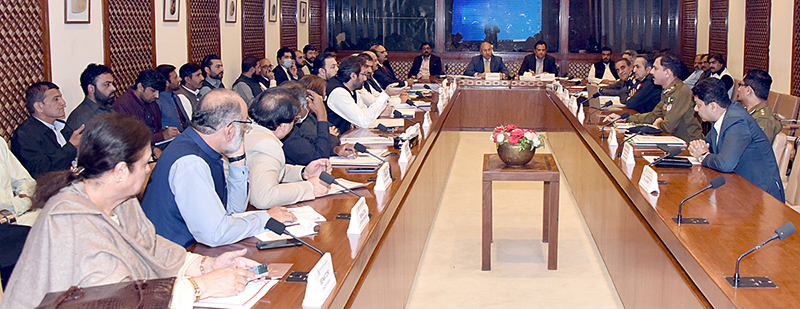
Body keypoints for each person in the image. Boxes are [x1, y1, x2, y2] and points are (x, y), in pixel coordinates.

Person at [1, 113, 262, 309]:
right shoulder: (72, 222)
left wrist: (208, 265)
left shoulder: (121, 200)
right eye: (146, 161)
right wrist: (199, 287)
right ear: (120, 171)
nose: (150, 168)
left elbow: (152, 248)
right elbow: (114, 298)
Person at [141, 89, 295, 248]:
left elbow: (234, 210)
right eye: (244, 124)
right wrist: (265, 218)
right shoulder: (190, 162)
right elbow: (215, 234)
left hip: (194, 249)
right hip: (177, 258)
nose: (246, 131)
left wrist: (237, 160)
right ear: (229, 131)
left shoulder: (205, 149)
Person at [688, 78, 784, 202]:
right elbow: (707, 144)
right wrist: (697, 146)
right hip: (740, 189)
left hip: (764, 197)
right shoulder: (722, 117)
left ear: (713, 106)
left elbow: (725, 164)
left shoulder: (737, 121)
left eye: (699, 105)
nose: (696, 109)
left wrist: (703, 155)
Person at [245, 87, 332, 209]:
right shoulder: (267, 144)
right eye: (294, 120)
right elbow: (264, 197)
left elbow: (266, 171)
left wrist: (303, 173)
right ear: (282, 126)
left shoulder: (251, 131)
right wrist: (310, 188)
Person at [605, 54, 702, 142]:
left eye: (655, 68)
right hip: (673, 139)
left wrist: (659, 123)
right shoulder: (668, 91)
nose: (651, 71)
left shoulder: (679, 92)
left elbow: (668, 126)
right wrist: (627, 119)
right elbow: (653, 116)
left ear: (667, 73)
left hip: (687, 144)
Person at [11, 82, 83, 179]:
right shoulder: (25, 135)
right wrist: (71, 147)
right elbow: (39, 171)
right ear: (39, 107)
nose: (63, 103)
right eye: (56, 99)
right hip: (51, 190)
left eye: (61, 98)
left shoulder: (62, 127)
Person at [283, 77, 356, 165]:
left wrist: (336, 149)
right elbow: (319, 157)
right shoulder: (287, 131)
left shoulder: (306, 117)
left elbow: (332, 135)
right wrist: (322, 115)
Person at [325, 55, 407, 134]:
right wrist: (386, 95)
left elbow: (364, 112)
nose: (365, 78)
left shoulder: (352, 88)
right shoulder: (338, 92)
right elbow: (363, 121)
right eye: (363, 74)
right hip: (339, 143)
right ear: (353, 76)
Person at [113, 69, 180, 146]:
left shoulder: (152, 102)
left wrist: (169, 133)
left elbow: (156, 129)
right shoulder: (123, 105)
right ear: (140, 87)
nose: (157, 96)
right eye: (153, 91)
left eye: (158, 92)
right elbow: (130, 139)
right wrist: (161, 136)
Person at [734, 69, 782, 144]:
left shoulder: (763, 120)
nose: (739, 89)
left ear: (748, 90)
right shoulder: (749, 113)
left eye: (741, 85)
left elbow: (756, 151)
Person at [66, 63, 116, 131]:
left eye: (112, 84)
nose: (113, 88)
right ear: (91, 88)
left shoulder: (109, 109)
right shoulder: (80, 118)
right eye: (107, 85)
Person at [0, 141, 37, 226]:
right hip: (6, 220)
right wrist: (23, 203)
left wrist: (25, 196)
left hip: (20, 213)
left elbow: (24, 180)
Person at [155, 64, 190, 132]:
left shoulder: (175, 97)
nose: (180, 79)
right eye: (175, 77)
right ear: (166, 83)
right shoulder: (158, 101)